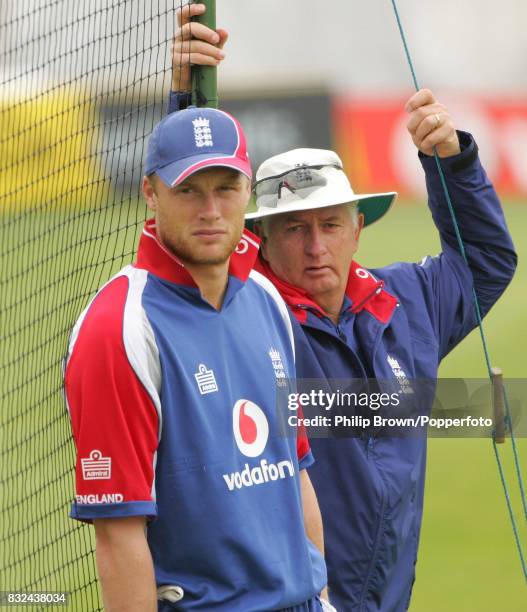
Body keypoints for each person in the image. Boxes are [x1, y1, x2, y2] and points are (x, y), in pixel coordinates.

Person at [169, 5, 517, 611]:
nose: (315, 245)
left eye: (330, 224)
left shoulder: (408, 301)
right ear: (262, 239)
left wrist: (452, 163)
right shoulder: (246, 310)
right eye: (294, 228)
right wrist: (184, 102)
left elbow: (486, 259)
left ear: (359, 228)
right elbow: (187, 244)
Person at [64, 105, 331, 611]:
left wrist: (320, 593)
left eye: (226, 187)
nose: (210, 210)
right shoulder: (120, 328)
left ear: (248, 190)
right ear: (150, 192)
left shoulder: (267, 300)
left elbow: (293, 469)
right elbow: (119, 538)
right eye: (188, 190)